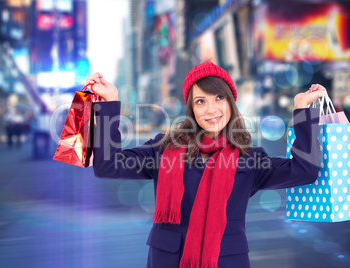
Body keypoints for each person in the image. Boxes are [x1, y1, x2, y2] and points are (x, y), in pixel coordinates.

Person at [87, 62, 326, 268]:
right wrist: (110, 102)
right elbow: (108, 165)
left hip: (226, 260)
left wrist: (302, 111)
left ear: (231, 103)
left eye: (219, 98)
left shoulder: (249, 159)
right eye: (201, 101)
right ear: (191, 108)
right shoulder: (164, 149)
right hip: (169, 260)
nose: (211, 110)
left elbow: (304, 170)